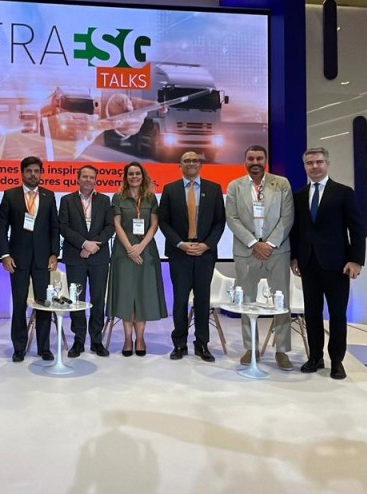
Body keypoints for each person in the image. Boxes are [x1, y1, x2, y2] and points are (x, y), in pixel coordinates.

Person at [289, 147, 367, 380]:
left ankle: (337, 361)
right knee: (312, 313)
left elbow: (357, 229)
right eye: (310, 163)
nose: (314, 166)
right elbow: (296, 230)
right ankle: (315, 357)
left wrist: (356, 260)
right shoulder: (299, 195)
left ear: (327, 164)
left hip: (338, 264)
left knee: (337, 314)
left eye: (319, 162)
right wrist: (294, 257)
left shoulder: (343, 192)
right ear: (304, 166)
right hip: (308, 264)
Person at [225, 145, 295, 370]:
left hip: (277, 251)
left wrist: (270, 244)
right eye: (251, 158)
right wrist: (254, 244)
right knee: (246, 301)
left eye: (259, 158)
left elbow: (287, 217)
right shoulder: (235, 186)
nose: (255, 162)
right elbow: (232, 219)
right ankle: (251, 348)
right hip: (246, 251)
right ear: (245, 161)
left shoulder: (281, 184)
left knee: (281, 302)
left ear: (265, 160)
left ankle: (282, 350)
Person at [157, 151, 226, 362]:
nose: (191, 163)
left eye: (195, 160)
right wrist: (180, 244)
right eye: (186, 161)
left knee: (203, 300)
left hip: (205, 254)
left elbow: (219, 222)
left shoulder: (214, 189)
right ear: (180, 165)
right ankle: (179, 344)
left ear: (200, 165)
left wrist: (206, 245)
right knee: (179, 301)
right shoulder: (170, 189)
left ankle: (202, 344)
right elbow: (164, 222)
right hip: (180, 253)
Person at [0, 156, 60, 363]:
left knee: (44, 304)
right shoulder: (10, 195)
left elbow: (54, 227)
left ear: (41, 173)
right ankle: (19, 348)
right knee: (19, 304)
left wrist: (54, 253)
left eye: (36, 171)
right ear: (22, 173)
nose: (33, 175)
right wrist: (5, 255)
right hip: (18, 259)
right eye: (29, 171)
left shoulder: (49, 196)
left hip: (43, 259)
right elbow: (2, 227)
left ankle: (44, 348)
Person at [107, 162, 168, 356]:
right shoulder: (118, 197)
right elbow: (117, 224)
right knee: (126, 295)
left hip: (147, 251)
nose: (134, 177)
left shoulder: (150, 198)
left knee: (143, 295)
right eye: (131, 174)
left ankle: (140, 338)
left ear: (143, 176)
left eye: (137, 173)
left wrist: (141, 247)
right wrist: (130, 249)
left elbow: (154, 224)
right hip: (123, 253)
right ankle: (127, 339)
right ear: (126, 177)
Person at [59, 165, 114, 358]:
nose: (88, 180)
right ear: (78, 179)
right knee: (76, 300)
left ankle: (96, 341)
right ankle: (79, 340)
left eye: (91, 177)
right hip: (75, 256)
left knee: (98, 299)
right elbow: (63, 227)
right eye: (85, 176)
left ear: (96, 180)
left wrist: (93, 246)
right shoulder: (67, 200)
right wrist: (83, 244)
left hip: (99, 257)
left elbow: (110, 227)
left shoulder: (105, 200)